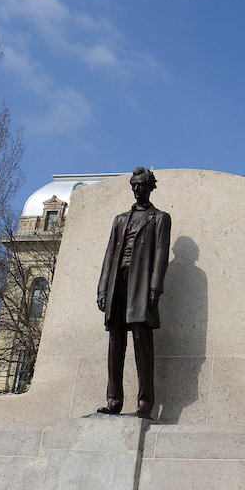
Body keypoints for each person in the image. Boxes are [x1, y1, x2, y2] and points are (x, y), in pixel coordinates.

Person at [97, 167, 171, 419]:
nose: (136, 189)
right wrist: (103, 288)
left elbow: (161, 256)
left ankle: (144, 402)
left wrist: (154, 289)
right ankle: (113, 400)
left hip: (140, 283)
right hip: (118, 281)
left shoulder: (160, 218)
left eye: (140, 185)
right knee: (115, 340)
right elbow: (109, 255)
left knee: (142, 341)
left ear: (150, 186)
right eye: (133, 185)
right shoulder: (120, 219)